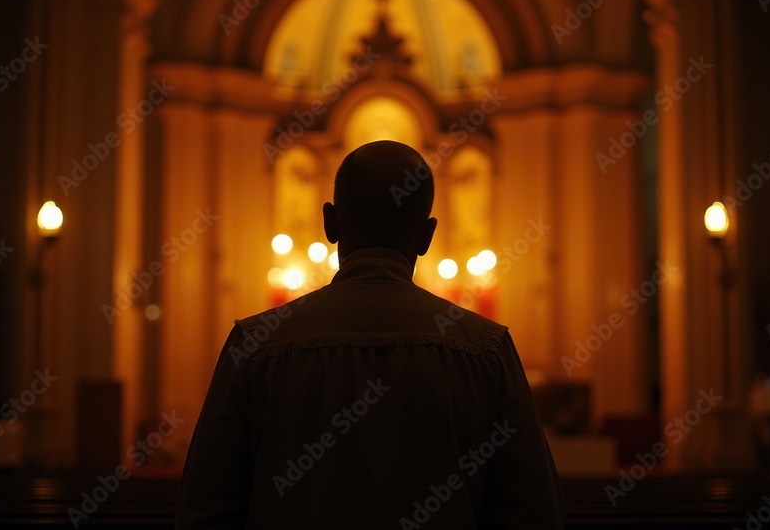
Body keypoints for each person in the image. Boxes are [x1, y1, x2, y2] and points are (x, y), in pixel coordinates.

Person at [175, 140, 564, 529]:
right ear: (426, 235)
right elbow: (532, 513)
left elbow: (204, 512)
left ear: (330, 222)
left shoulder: (256, 344)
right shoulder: (486, 350)